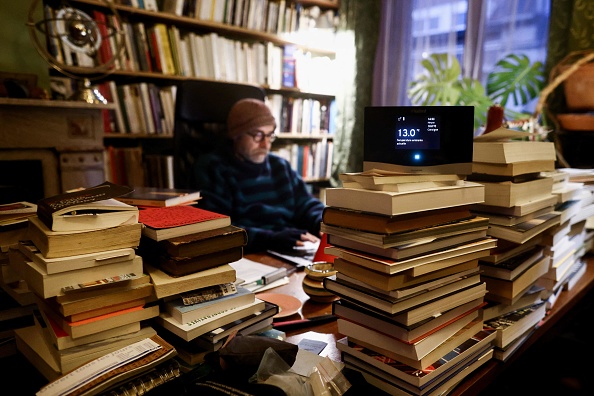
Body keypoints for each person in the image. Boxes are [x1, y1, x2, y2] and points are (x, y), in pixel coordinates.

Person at [193, 98, 325, 253]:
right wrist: (271, 239)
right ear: (236, 135)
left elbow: (306, 204)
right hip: (249, 252)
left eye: (270, 135)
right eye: (258, 135)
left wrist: (324, 223)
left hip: (291, 247)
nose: (266, 144)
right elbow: (218, 228)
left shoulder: (280, 166)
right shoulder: (213, 168)